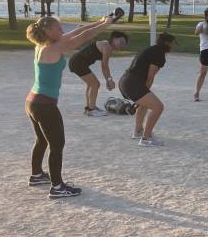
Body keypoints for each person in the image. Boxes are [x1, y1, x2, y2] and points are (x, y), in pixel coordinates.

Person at [25, 14, 116, 198]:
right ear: (49, 31)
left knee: (42, 140)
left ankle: (36, 175)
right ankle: (57, 187)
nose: (62, 31)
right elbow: (84, 38)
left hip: (33, 101)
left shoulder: (44, 44)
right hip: (44, 105)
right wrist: (105, 25)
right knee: (57, 144)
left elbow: (79, 31)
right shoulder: (55, 47)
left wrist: (100, 21)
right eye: (58, 28)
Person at [118, 33, 177, 146]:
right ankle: (145, 138)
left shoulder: (151, 49)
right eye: (173, 43)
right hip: (132, 83)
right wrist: (145, 91)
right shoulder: (159, 54)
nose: (174, 46)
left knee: (144, 105)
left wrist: (142, 93)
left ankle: (138, 131)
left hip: (125, 81)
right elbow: (150, 77)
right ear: (167, 43)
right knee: (158, 107)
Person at [68, 30, 129, 116]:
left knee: (91, 84)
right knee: (95, 84)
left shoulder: (107, 45)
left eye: (124, 44)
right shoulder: (107, 47)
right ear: (114, 39)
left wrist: (108, 80)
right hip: (78, 62)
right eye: (121, 41)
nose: (122, 45)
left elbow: (104, 66)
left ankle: (89, 107)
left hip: (77, 62)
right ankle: (91, 110)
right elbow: (104, 66)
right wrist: (109, 80)